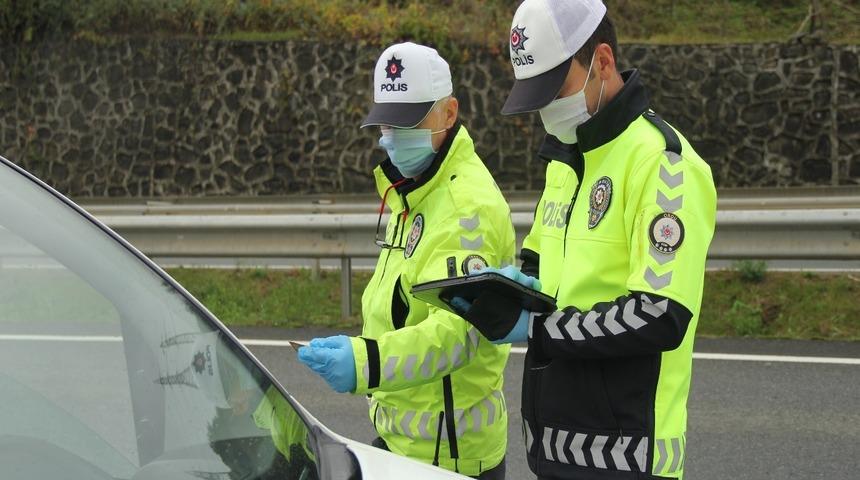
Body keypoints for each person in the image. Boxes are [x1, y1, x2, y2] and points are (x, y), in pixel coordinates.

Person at [453, 1, 717, 479]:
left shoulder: (663, 164)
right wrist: (506, 285)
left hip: (627, 459)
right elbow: (539, 267)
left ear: (602, 62)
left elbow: (660, 313)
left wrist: (535, 329)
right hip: (552, 449)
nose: (547, 108)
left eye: (556, 88)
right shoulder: (565, 163)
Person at [297, 42, 515, 479]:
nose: (394, 136)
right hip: (406, 448)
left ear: (449, 113)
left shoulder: (465, 207)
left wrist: (364, 362)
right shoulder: (415, 191)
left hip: (449, 460)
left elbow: (459, 335)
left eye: (410, 121)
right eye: (387, 123)